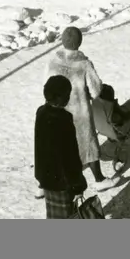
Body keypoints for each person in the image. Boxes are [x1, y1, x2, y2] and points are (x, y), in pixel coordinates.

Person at [45, 27, 116, 189]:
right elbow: (96, 90)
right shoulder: (84, 64)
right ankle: (99, 180)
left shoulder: (53, 60)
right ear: (79, 43)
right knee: (88, 144)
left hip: (56, 110)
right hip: (79, 114)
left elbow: (46, 83)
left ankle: (45, 183)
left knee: (56, 144)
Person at [34, 74, 88, 218]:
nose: (68, 98)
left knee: (53, 214)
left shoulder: (41, 112)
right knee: (66, 215)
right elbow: (70, 155)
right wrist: (78, 183)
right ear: (58, 97)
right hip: (63, 181)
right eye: (66, 95)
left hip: (46, 177)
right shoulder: (64, 119)